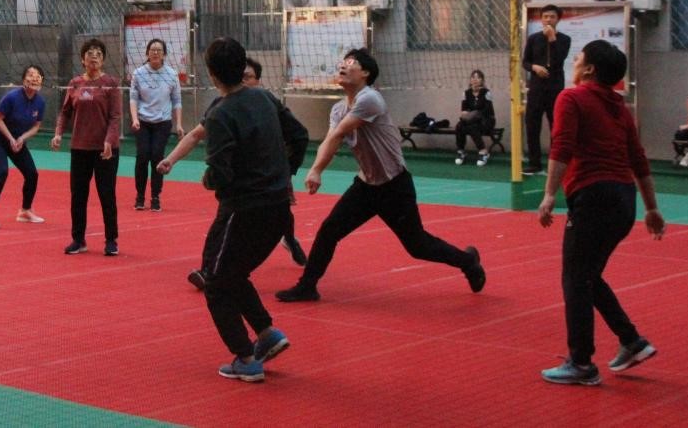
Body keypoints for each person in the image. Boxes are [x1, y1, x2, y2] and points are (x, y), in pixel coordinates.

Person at [275, 48, 485, 303]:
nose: (343, 65)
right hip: (366, 186)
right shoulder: (338, 109)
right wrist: (317, 169)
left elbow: (338, 135)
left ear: (365, 73)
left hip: (394, 186)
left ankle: (468, 261)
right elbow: (331, 139)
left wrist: (317, 170)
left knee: (418, 246)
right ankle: (307, 286)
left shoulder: (369, 99)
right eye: (343, 62)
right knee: (330, 230)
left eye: (351, 62)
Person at [159, 37, 292, 383]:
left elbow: (221, 173)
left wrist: (209, 179)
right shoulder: (264, 98)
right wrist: (281, 174)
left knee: (215, 281)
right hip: (279, 207)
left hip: (243, 211)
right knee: (234, 272)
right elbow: (300, 134)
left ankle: (246, 358)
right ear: (243, 66)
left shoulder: (222, 113)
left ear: (212, 74)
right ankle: (267, 333)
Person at [537, 40, 665, 386]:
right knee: (588, 275)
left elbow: (562, 146)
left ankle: (581, 363)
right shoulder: (620, 107)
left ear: (589, 69)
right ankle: (631, 341)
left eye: (578, 58)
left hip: (594, 197)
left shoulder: (571, 98)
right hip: (624, 201)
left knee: (575, 278)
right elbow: (638, 159)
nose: (574, 62)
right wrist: (652, 208)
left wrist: (549, 194)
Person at [164, 57, 309, 290]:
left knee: (274, 216)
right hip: (247, 188)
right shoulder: (221, 109)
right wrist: (171, 160)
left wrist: (287, 169)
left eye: (248, 77)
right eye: (242, 76)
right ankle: (210, 272)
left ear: (257, 81)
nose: (243, 81)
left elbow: (299, 136)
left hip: (267, 180)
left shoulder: (264, 101)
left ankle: (286, 241)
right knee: (227, 230)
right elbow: (196, 136)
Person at [52, 38, 122, 256]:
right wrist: (58, 134)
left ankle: (111, 240)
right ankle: (78, 239)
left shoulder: (111, 83)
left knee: (106, 194)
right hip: (80, 148)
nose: (94, 57)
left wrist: (109, 141)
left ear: (103, 60)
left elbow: (115, 116)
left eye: (99, 54)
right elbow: (65, 112)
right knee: (78, 195)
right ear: (82, 59)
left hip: (105, 150)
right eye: (90, 53)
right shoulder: (75, 83)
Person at [0, 64, 47, 229]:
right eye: (30, 75)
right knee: (2, 171)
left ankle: (25, 211)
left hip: (18, 142)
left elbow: (36, 126)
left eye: (37, 76)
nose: (34, 78)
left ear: (41, 80)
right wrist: (11, 138)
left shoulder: (40, 102)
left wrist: (21, 139)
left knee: (32, 174)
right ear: (24, 79)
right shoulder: (11, 97)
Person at [130, 38, 183, 212]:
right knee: (142, 156)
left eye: (159, 50)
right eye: (152, 49)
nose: (155, 52)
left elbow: (177, 101)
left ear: (164, 54)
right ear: (147, 53)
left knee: (157, 157)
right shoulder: (138, 73)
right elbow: (133, 99)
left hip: (163, 122)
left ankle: (155, 196)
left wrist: (179, 124)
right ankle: (139, 196)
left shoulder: (171, 74)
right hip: (143, 122)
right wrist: (135, 119)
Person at [522, 4, 571, 176]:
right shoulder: (533, 38)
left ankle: (554, 164)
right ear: (541, 19)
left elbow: (559, 59)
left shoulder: (564, 39)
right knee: (532, 124)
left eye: (552, 17)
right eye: (545, 17)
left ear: (558, 19)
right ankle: (534, 164)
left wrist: (552, 38)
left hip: (555, 88)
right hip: (536, 88)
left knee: (556, 126)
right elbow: (525, 62)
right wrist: (534, 67)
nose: (548, 20)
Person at [454, 69, 496, 166]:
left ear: (482, 80)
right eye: (473, 77)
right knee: (459, 126)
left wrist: (474, 113)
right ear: (470, 80)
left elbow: (487, 110)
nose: (475, 79)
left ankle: (483, 151)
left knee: (472, 126)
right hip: (471, 120)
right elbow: (464, 109)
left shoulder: (486, 92)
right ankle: (461, 151)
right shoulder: (466, 93)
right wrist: (466, 114)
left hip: (486, 120)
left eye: (478, 77)